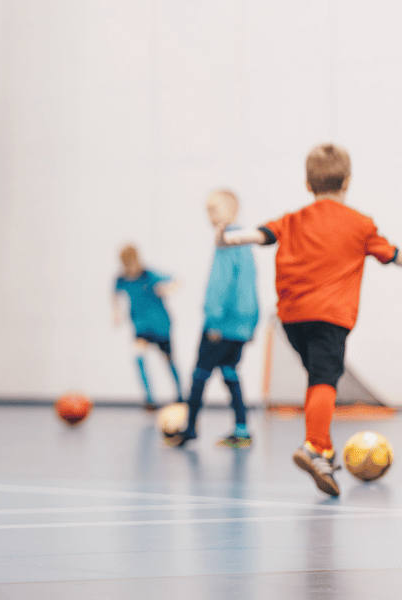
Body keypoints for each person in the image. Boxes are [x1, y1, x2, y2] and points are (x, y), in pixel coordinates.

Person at [216, 143, 402, 496]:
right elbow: (392, 256)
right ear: (347, 181)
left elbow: (258, 235)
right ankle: (314, 447)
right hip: (330, 317)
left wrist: (229, 236)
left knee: (319, 381)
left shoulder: (291, 219)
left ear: (307, 183)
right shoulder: (361, 225)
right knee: (324, 380)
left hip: (292, 320)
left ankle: (325, 450)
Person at [167, 190, 258, 449]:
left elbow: (222, 284)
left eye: (214, 210)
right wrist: (250, 324)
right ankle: (242, 428)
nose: (209, 216)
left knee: (199, 374)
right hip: (239, 325)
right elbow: (250, 285)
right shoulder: (245, 242)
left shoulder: (226, 240)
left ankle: (190, 427)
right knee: (230, 372)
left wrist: (214, 320)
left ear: (232, 209)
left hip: (221, 324)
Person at [113, 245, 183, 409]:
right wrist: (116, 313)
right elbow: (115, 295)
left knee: (169, 361)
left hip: (160, 325)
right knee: (138, 355)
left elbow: (177, 280)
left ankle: (181, 395)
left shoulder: (150, 275)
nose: (130, 269)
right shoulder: (121, 279)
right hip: (141, 326)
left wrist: (168, 289)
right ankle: (150, 399)